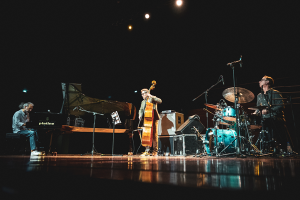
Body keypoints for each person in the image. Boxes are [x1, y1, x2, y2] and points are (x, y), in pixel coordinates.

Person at [253, 76, 292, 152]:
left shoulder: (275, 93)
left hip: (275, 118)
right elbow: (258, 108)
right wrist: (255, 112)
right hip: (265, 119)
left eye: (262, 80)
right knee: (264, 125)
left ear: (267, 82)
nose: (259, 81)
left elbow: (281, 105)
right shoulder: (259, 96)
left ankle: (281, 148)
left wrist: (269, 111)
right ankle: (265, 148)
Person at [138, 89, 162, 156]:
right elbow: (141, 109)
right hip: (146, 119)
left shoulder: (152, 98)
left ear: (147, 93)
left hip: (153, 118)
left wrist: (151, 95)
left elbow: (160, 101)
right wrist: (139, 115)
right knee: (146, 134)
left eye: (143, 94)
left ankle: (155, 151)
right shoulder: (143, 102)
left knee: (154, 135)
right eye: (141, 94)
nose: (142, 95)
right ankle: (147, 150)